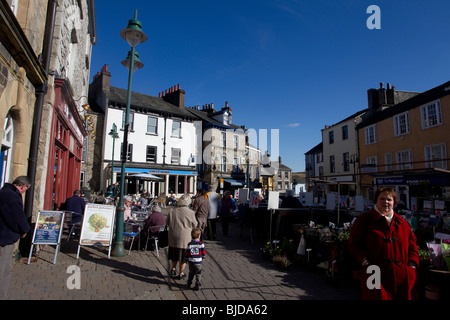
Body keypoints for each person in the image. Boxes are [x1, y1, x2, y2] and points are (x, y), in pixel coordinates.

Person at [347, 187, 419, 300]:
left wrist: (412, 267)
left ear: (394, 202)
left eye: (389, 199)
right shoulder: (364, 220)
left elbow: (413, 246)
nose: (386, 202)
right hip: (374, 273)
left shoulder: (402, 223)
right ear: (376, 200)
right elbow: (354, 243)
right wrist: (364, 261)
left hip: (401, 276)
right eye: (382, 199)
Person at [0, 176, 31, 299]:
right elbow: (17, 217)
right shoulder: (10, 196)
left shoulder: (7, 193)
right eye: (25, 190)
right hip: (3, 239)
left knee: (6, 270)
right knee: (2, 270)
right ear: (23, 186)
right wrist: (25, 230)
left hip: (7, 238)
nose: (24, 192)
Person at [166, 194, 197, 279]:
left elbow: (167, 222)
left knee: (174, 252)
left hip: (173, 235)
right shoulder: (191, 212)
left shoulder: (172, 211)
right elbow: (195, 224)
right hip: (185, 237)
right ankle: (181, 272)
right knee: (183, 255)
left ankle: (173, 268)